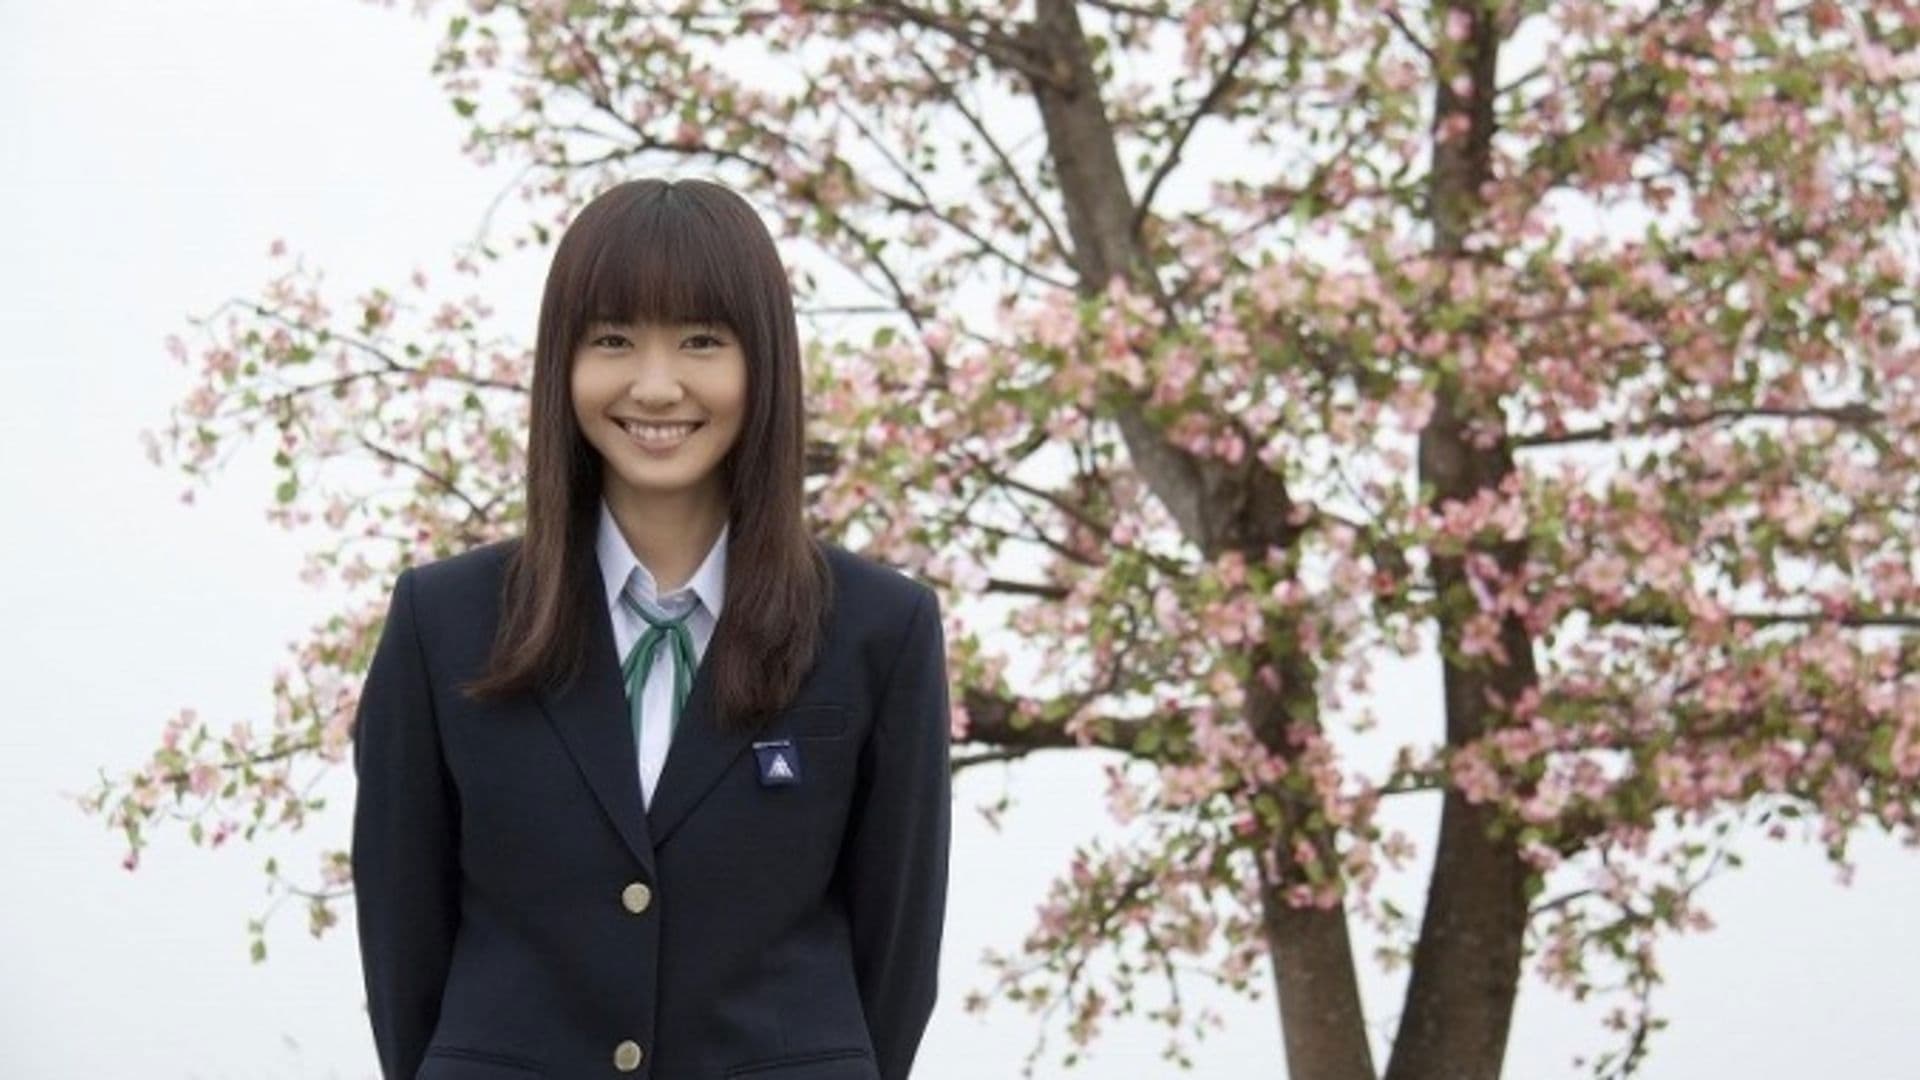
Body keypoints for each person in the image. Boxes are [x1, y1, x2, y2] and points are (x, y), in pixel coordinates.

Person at [349, 176, 952, 1080]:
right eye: (613, 340)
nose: (657, 385)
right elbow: (403, 948)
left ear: (764, 362)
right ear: (564, 363)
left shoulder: (881, 630)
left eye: (702, 340)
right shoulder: (443, 622)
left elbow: (895, 964)